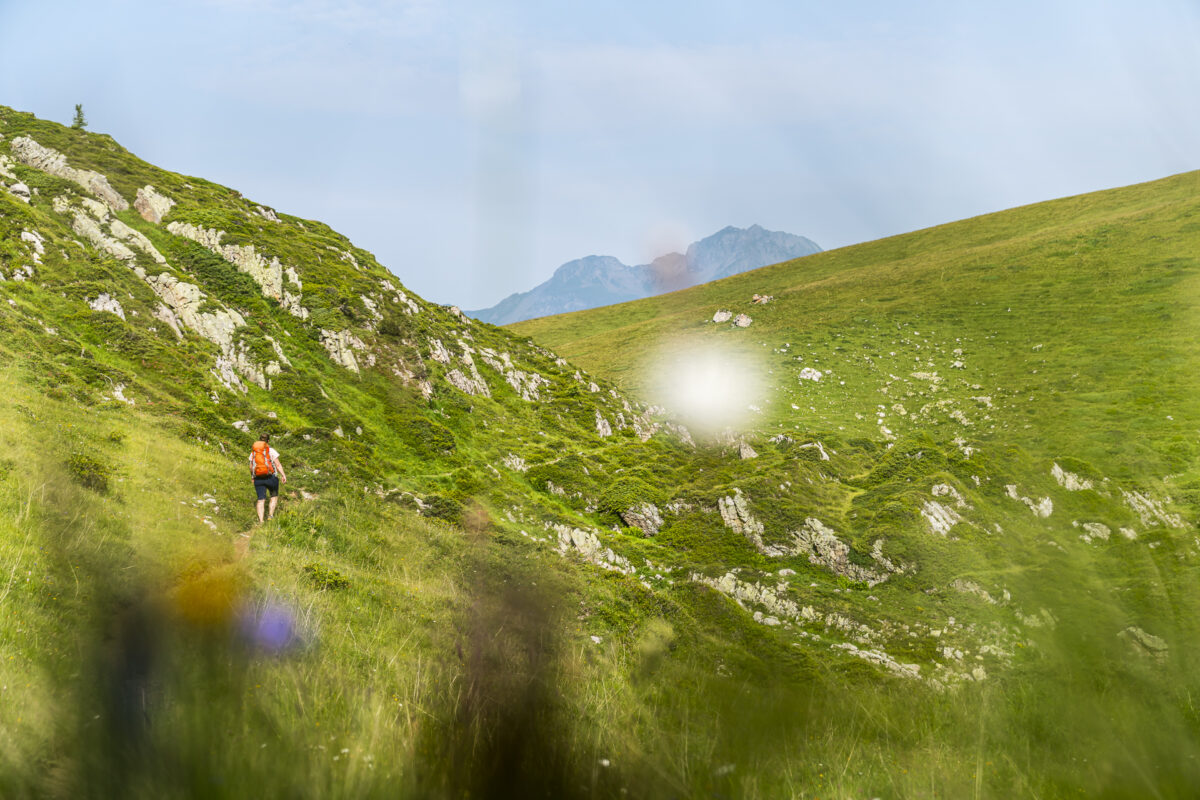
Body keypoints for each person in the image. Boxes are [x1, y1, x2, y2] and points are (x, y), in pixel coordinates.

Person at [249, 433, 287, 523]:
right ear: (268, 441)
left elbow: (251, 466)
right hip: (271, 478)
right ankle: (270, 515)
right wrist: (283, 475)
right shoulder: (271, 450)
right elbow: (277, 464)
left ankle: (261, 521)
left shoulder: (254, 451)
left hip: (258, 478)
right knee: (273, 496)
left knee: (260, 499)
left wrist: (252, 476)